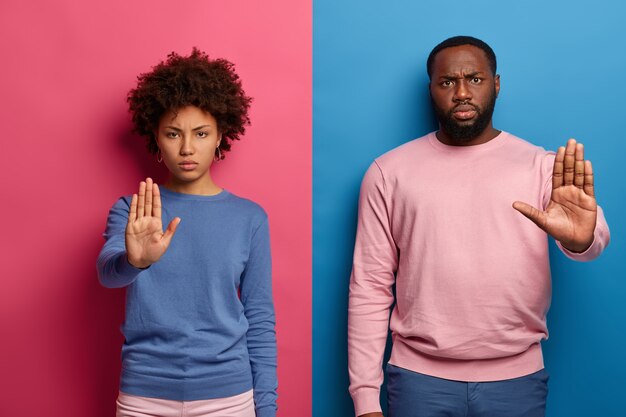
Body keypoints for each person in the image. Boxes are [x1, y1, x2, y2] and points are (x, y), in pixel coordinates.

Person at [347, 36, 610, 417]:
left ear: (496, 84)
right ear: (432, 89)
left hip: (517, 383)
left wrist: (583, 238)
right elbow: (368, 287)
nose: (462, 93)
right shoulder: (389, 173)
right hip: (418, 381)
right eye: (447, 82)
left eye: (475, 79)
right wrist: (365, 398)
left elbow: (594, 237)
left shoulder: (541, 166)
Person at [97, 49, 277, 417]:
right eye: (173, 133)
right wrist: (135, 260)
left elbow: (259, 317)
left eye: (201, 133)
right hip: (144, 395)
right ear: (157, 139)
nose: (187, 148)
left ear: (220, 136)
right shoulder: (133, 210)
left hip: (229, 398)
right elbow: (107, 274)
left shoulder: (250, 218)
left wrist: (267, 407)